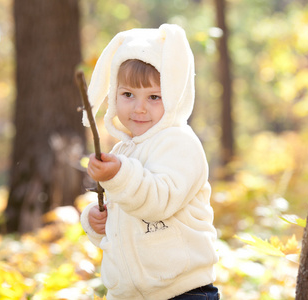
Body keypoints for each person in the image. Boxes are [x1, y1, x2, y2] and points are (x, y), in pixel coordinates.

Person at [80, 23, 219, 300]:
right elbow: (128, 215)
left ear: (175, 96)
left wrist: (119, 174)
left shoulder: (180, 143)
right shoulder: (124, 150)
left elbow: (158, 200)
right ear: (113, 94)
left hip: (182, 291)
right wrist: (99, 220)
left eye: (154, 97)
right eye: (128, 94)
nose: (139, 107)